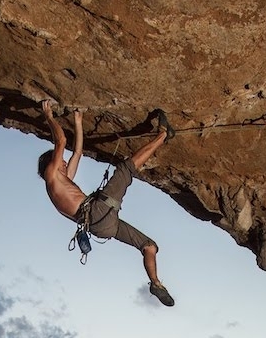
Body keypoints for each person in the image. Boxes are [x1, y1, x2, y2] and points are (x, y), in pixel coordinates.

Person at [37, 99, 175, 306]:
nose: (65, 163)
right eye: (61, 162)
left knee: (149, 246)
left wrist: (78, 122)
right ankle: (164, 134)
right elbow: (61, 142)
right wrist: (48, 116)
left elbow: (77, 153)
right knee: (126, 169)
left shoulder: (61, 183)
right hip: (97, 211)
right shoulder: (51, 177)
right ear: (52, 165)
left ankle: (156, 283)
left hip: (101, 227)